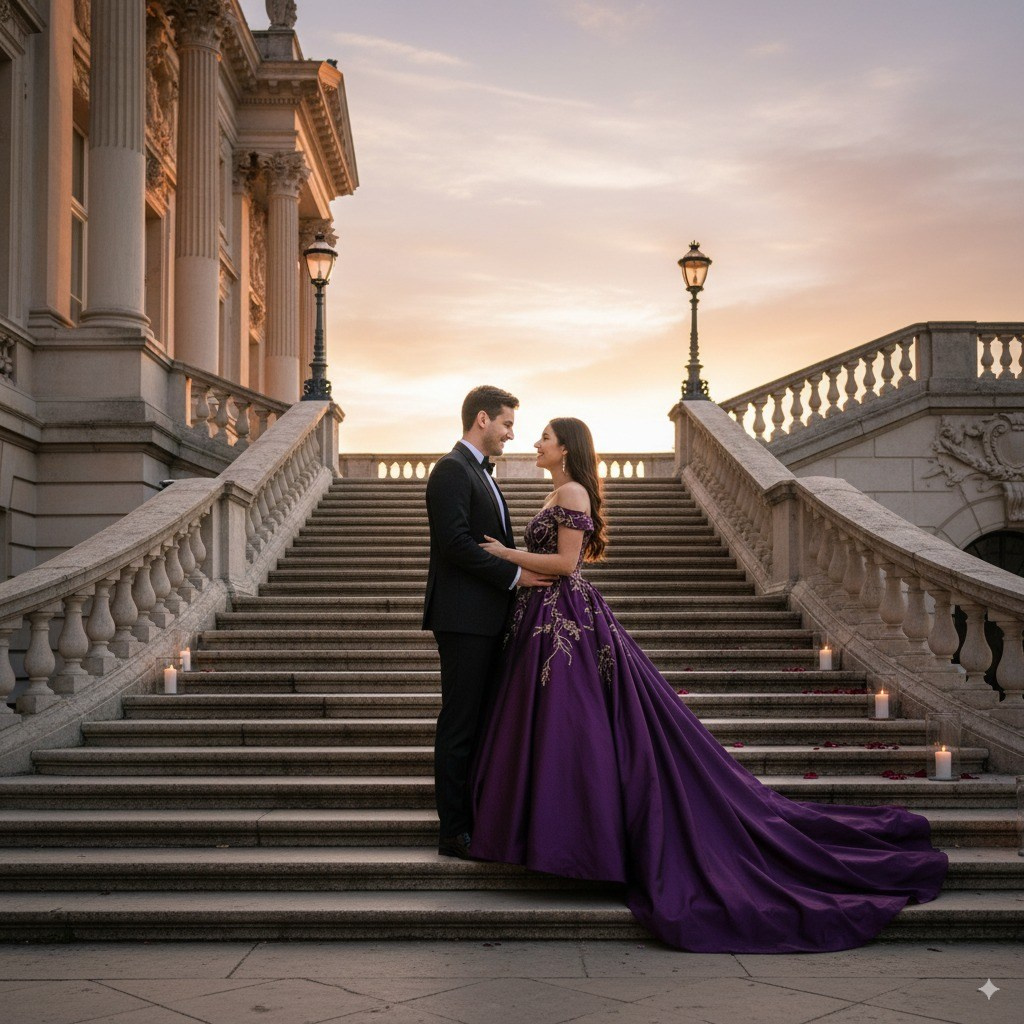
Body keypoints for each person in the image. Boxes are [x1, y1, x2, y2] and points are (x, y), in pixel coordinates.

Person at [470, 416, 949, 953]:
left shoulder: (575, 491)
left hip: (565, 624)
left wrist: (506, 555)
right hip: (543, 624)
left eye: (545, 438)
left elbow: (565, 562)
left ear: (566, 449)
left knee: (575, 727)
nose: (535, 443)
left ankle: (580, 841)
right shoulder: (559, 490)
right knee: (556, 730)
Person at [423, 385, 552, 860]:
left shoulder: (481, 475)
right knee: (459, 722)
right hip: (463, 619)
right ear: (482, 419)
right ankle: (453, 830)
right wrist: (517, 575)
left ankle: (476, 817)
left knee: (479, 721)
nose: (511, 435)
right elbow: (456, 544)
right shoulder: (451, 471)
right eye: (506, 424)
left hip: (485, 617)